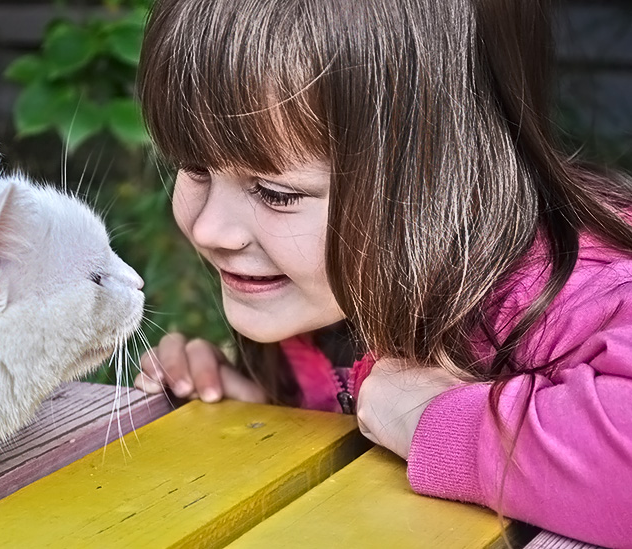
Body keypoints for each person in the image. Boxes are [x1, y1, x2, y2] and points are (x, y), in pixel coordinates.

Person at [133, 0, 632, 546]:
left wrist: (442, 423)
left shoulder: (572, 290)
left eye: (277, 193)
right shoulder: (332, 294)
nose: (209, 229)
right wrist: (271, 416)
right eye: (194, 168)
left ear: (443, 179)